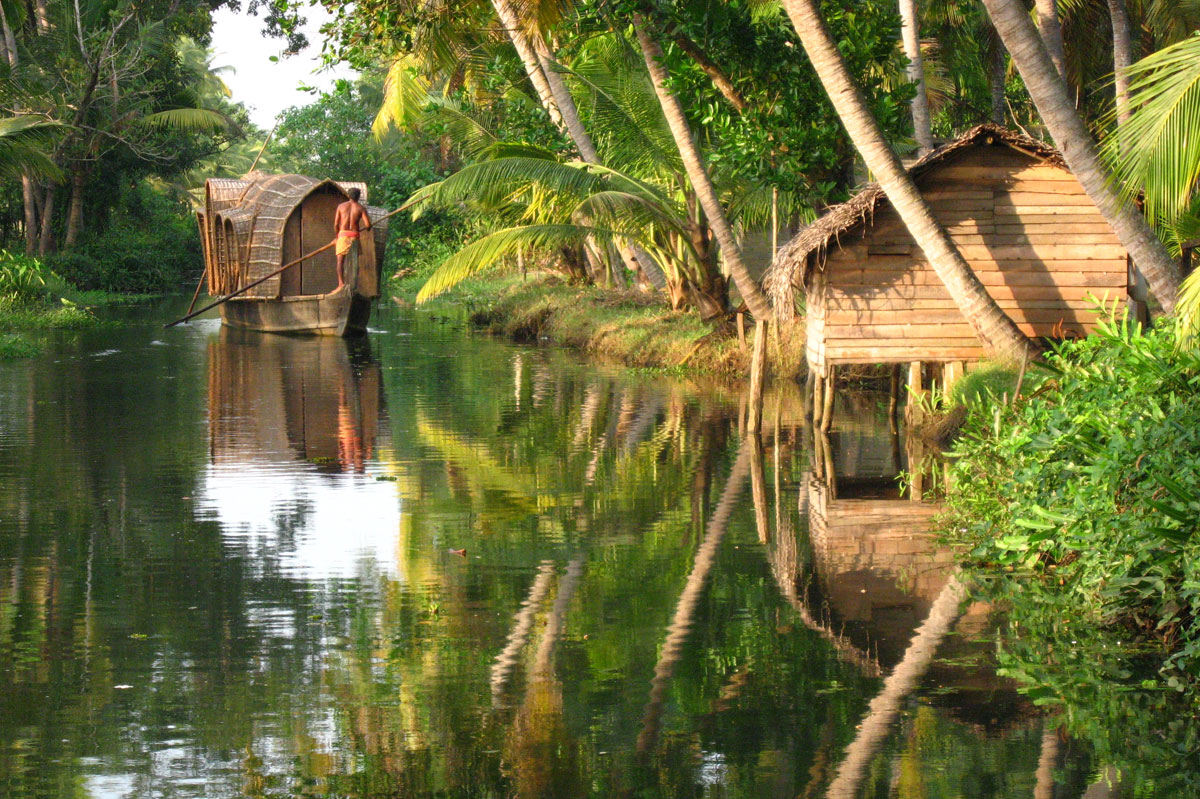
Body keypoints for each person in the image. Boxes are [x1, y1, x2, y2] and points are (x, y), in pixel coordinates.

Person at [333, 188, 371, 291]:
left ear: (349, 196)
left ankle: (341, 284)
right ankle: (354, 286)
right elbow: (368, 225)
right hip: (354, 235)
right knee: (355, 261)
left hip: (343, 234)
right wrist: (367, 228)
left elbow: (336, 224)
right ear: (358, 197)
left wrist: (337, 237)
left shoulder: (341, 207)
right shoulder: (361, 208)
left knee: (340, 261)